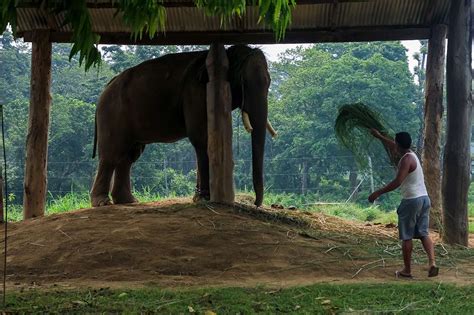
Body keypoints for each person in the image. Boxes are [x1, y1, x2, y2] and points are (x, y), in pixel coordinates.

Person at [368, 129, 439, 278]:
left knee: (406, 236)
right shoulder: (412, 154)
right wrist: (379, 136)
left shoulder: (406, 160)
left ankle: (407, 270)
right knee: (423, 233)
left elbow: (397, 182)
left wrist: (378, 192)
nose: (394, 145)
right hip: (424, 199)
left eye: (395, 143)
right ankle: (432, 263)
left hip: (412, 201)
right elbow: (393, 145)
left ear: (399, 145)